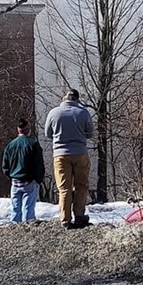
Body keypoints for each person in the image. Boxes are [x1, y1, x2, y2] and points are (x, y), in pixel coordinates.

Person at [44, 88, 95, 229]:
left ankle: (65, 219)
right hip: (80, 153)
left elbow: (48, 133)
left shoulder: (53, 113)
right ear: (77, 99)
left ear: (64, 98)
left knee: (64, 188)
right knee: (81, 185)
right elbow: (90, 133)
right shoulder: (83, 113)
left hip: (60, 155)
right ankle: (79, 215)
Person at [0, 119, 45, 224]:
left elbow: (5, 166)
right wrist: (38, 179)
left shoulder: (10, 145)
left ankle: (14, 229)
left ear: (18, 130)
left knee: (15, 210)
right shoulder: (33, 144)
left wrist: (11, 176)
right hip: (29, 181)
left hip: (15, 182)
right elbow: (38, 164)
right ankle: (28, 228)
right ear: (28, 129)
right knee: (28, 211)